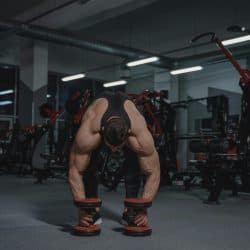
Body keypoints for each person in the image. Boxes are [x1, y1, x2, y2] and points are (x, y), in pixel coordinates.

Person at [68, 91, 160, 227]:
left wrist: (143, 209)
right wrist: (82, 209)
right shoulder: (90, 131)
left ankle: (132, 211)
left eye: (118, 146)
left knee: (135, 165)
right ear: (103, 131)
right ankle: (91, 211)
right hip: (99, 111)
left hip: (126, 118)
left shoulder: (138, 131)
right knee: (87, 166)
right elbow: (74, 171)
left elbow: (154, 172)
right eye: (110, 146)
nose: (114, 150)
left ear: (128, 134)